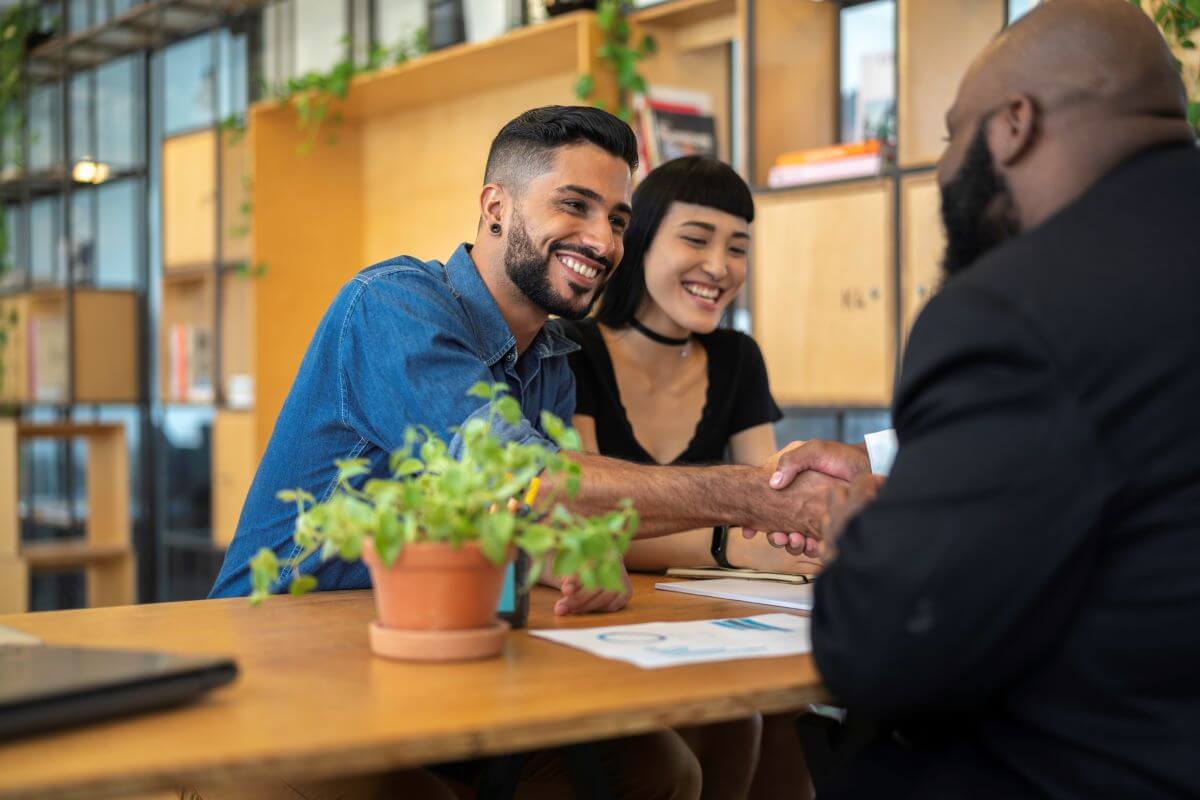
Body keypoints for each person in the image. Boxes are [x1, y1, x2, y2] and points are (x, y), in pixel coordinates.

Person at [207, 105, 841, 799]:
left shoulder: (551, 361)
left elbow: (540, 524)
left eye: (618, 220)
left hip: (444, 658)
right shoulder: (392, 307)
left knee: (660, 770)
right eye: (575, 205)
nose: (602, 240)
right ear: (495, 208)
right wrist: (755, 495)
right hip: (288, 669)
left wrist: (577, 550)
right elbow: (524, 479)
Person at [766, 1, 1200, 796]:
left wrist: (861, 545)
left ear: (1014, 125)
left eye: (951, 135)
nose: (941, 172)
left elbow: (881, 650)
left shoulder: (1014, 305)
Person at [559, 155, 818, 800]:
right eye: (697, 239)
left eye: (738, 248)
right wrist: (735, 540)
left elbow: (773, 497)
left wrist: (792, 526)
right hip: (604, 625)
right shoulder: (574, 348)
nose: (720, 267)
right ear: (642, 239)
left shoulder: (737, 357)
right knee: (741, 721)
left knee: (776, 712)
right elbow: (586, 523)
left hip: (716, 622)